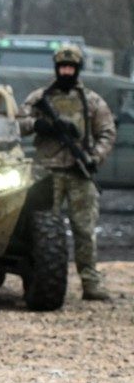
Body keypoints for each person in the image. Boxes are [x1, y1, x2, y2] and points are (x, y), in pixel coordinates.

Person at [20, 44, 116, 301]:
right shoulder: (40, 97)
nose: (66, 72)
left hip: (78, 172)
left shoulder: (92, 101)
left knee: (84, 230)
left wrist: (95, 157)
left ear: (77, 69)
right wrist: (40, 124)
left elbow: (107, 132)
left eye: (70, 67)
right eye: (62, 67)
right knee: (38, 231)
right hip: (46, 174)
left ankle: (90, 282)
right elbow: (17, 123)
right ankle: (36, 282)